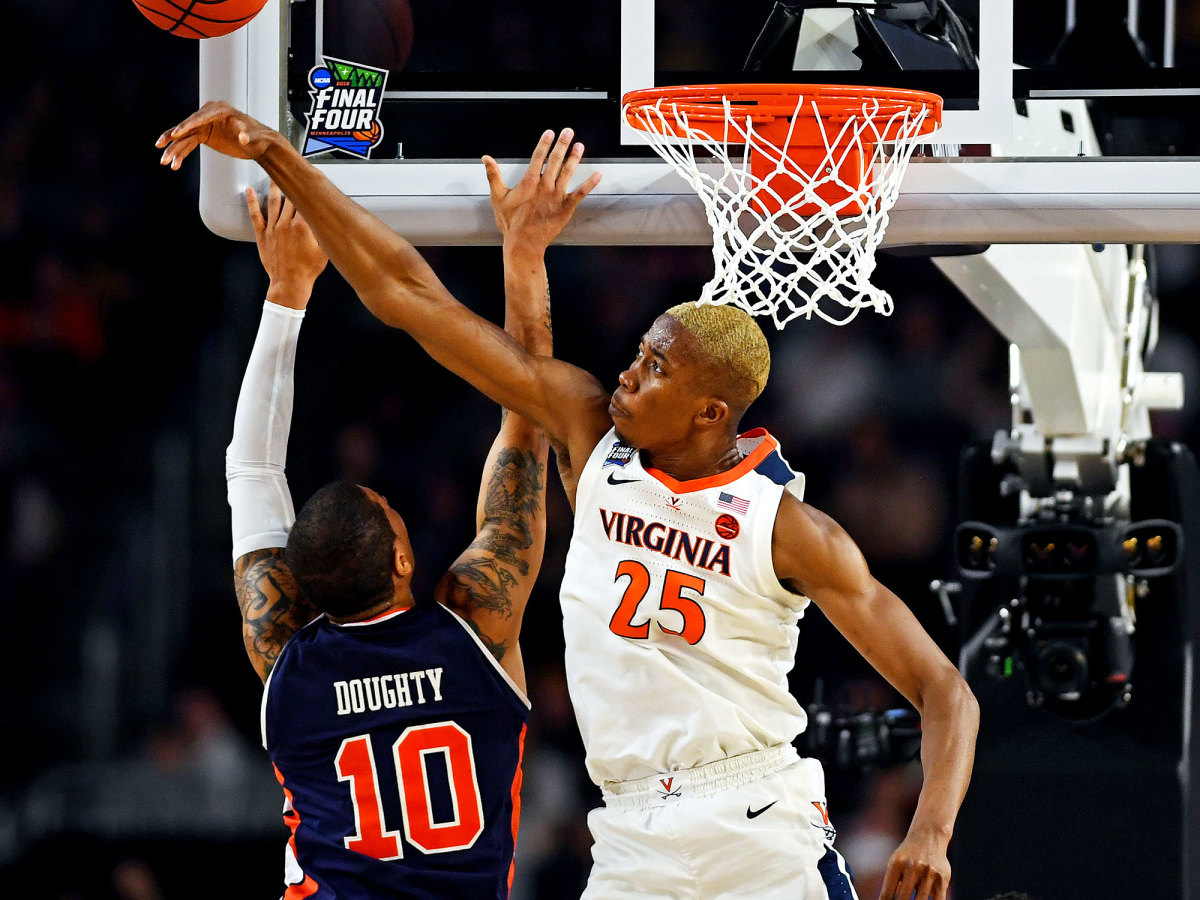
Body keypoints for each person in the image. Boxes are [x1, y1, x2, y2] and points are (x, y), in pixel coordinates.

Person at [160, 103, 979, 900]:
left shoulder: (791, 529)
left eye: (655, 367)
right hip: (629, 834)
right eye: (636, 352)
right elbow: (407, 295)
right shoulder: (594, 437)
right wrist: (279, 156)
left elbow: (946, 691)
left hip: (755, 817)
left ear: (710, 413)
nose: (627, 372)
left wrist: (931, 830)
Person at [222, 142, 580, 897]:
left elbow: (251, 473)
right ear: (402, 561)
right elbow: (527, 422)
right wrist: (525, 257)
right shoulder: (473, 625)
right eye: (395, 515)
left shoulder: (285, 656)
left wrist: (284, 293)